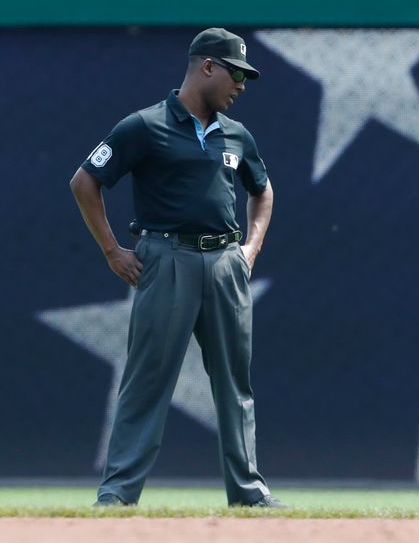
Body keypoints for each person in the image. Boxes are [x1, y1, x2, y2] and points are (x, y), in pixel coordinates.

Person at [69, 28, 285, 508]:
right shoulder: (144, 126)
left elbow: (263, 190)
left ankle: (248, 492)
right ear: (208, 66)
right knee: (148, 378)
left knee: (234, 381)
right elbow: (85, 182)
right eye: (236, 74)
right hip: (165, 259)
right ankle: (118, 493)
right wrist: (111, 250)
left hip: (226, 262)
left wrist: (250, 249)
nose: (242, 86)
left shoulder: (236, 134)